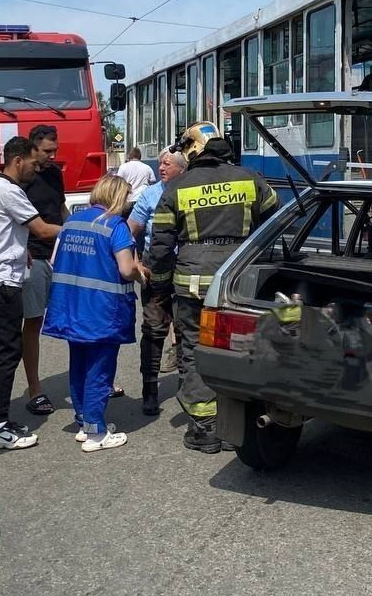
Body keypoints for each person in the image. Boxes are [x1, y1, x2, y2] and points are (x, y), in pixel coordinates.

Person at [149, 123, 277, 453]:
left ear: (194, 151)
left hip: (191, 286)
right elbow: (276, 222)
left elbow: (161, 248)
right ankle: (242, 424)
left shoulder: (177, 188)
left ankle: (205, 428)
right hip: (239, 283)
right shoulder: (251, 179)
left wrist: (159, 289)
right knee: (241, 349)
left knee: (193, 351)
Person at [0, 136, 62, 451]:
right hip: (3, 281)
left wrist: (19, 248)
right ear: (18, 160)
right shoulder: (10, 191)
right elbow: (43, 230)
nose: (36, 170)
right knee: (8, 353)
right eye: (33, 164)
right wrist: (82, 226)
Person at [42, 174, 139, 453]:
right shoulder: (115, 225)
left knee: (80, 365)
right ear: (118, 197)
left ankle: (84, 421)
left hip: (71, 307)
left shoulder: (72, 222)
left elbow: (53, 261)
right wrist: (141, 275)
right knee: (100, 369)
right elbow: (125, 269)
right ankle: (96, 432)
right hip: (103, 310)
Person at [127, 149, 188, 416]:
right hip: (155, 271)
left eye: (168, 163)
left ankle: (188, 387)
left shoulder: (191, 190)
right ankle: (149, 391)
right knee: (153, 331)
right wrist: (136, 261)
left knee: (186, 330)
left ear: (183, 168)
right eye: (160, 163)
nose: (161, 167)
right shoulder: (150, 195)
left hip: (186, 269)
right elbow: (130, 230)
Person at [20, 125, 65, 417]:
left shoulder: (54, 173)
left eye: (54, 150)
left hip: (58, 256)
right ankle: (35, 389)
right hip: (33, 257)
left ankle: (94, 380)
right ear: (33, 147)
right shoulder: (22, 178)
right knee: (34, 322)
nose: (51, 156)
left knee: (76, 317)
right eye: (47, 151)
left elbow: (60, 208)